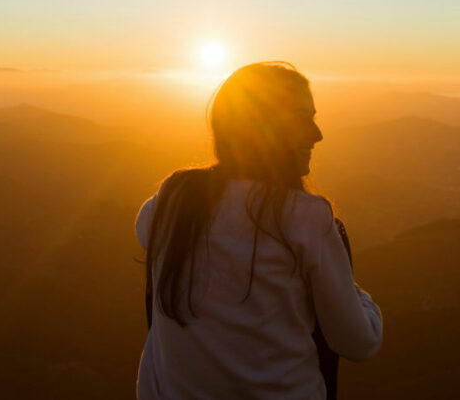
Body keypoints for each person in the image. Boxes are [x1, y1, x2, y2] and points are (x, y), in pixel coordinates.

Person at [134, 62, 383, 399]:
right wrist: (355, 295)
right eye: (301, 118)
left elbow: (144, 230)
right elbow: (359, 342)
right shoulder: (305, 218)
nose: (317, 133)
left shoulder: (175, 198)